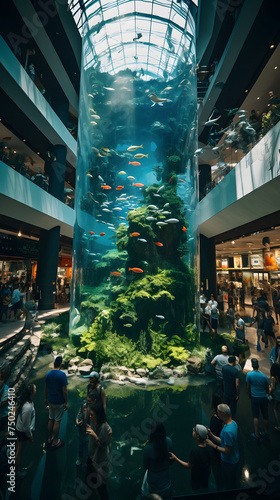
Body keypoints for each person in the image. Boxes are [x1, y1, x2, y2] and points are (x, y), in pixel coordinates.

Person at [206, 404, 239, 490]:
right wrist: (211, 434)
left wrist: (213, 445)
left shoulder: (228, 431)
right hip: (235, 457)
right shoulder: (233, 423)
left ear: (223, 413)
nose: (216, 414)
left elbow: (227, 451)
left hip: (228, 461)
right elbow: (224, 441)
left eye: (218, 412)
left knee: (227, 482)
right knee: (233, 479)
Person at [170, 424, 211, 491]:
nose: (193, 429)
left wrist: (176, 458)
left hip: (196, 478)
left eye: (194, 430)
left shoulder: (195, 451)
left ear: (197, 437)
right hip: (205, 476)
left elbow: (188, 466)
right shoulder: (208, 447)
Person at [86, 403, 112, 500]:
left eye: (92, 415)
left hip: (100, 459)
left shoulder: (104, 427)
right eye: (90, 414)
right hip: (92, 457)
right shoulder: (94, 421)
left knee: (102, 486)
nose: (90, 416)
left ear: (98, 415)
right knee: (88, 480)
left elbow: (103, 447)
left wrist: (94, 435)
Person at [142, 422, 173, 499]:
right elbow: (171, 459)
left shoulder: (148, 448)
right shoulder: (169, 441)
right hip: (165, 477)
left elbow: (145, 465)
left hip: (153, 479)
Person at [45, 355, 68, 449]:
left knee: (51, 419)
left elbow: (46, 388)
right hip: (59, 401)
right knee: (57, 421)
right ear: (61, 364)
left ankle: (49, 438)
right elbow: (64, 391)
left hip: (50, 401)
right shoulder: (62, 375)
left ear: (54, 363)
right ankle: (55, 441)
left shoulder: (48, 374)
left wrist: (45, 399)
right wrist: (66, 402)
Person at [15, 384, 36, 479]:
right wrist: (30, 436)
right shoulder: (27, 407)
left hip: (20, 429)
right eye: (35, 388)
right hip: (23, 432)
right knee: (19, 452)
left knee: (18, 451)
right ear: (31, 391)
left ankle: (16, 469)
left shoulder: (27, 400)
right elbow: (26, 426)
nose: (36, 389)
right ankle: (16, 473)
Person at [246, 358, 269, 440]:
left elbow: (248, 386)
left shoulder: (249, 375)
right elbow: (267, 388)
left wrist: (249, 394)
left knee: (256, 416)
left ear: (252, 365)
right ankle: (266, 432)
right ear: (258, 366)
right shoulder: (263, 376)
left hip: (255, 397)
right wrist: (267, 394)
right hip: (263, 397)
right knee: (265, 416)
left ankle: (256, 434)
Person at [75, 391, 96, 466]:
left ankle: (90, 459)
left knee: (89, 445)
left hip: (91, 431)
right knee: (81, 444)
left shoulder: (97, 408)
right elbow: (79, 412)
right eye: (88, 400)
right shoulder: (84, 403)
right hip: (82, 429)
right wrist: (77, 420)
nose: (88, 402)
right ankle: (80, 458)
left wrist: (93, 428)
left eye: (90, 401)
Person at [270, 357, 280, 431]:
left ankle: (279, 425)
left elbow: (273, 388)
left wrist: (269, 393)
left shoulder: (274, 377)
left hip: (277, 393)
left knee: (275, 408)